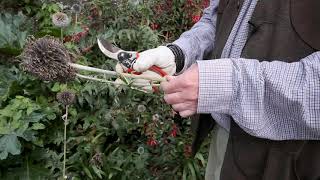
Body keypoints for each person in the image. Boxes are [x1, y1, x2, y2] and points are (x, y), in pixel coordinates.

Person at [116, 0, 320, 179]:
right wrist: (179, 54)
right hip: (224, 139)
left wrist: (225, 84)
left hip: (289, 162)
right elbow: (218, 18)